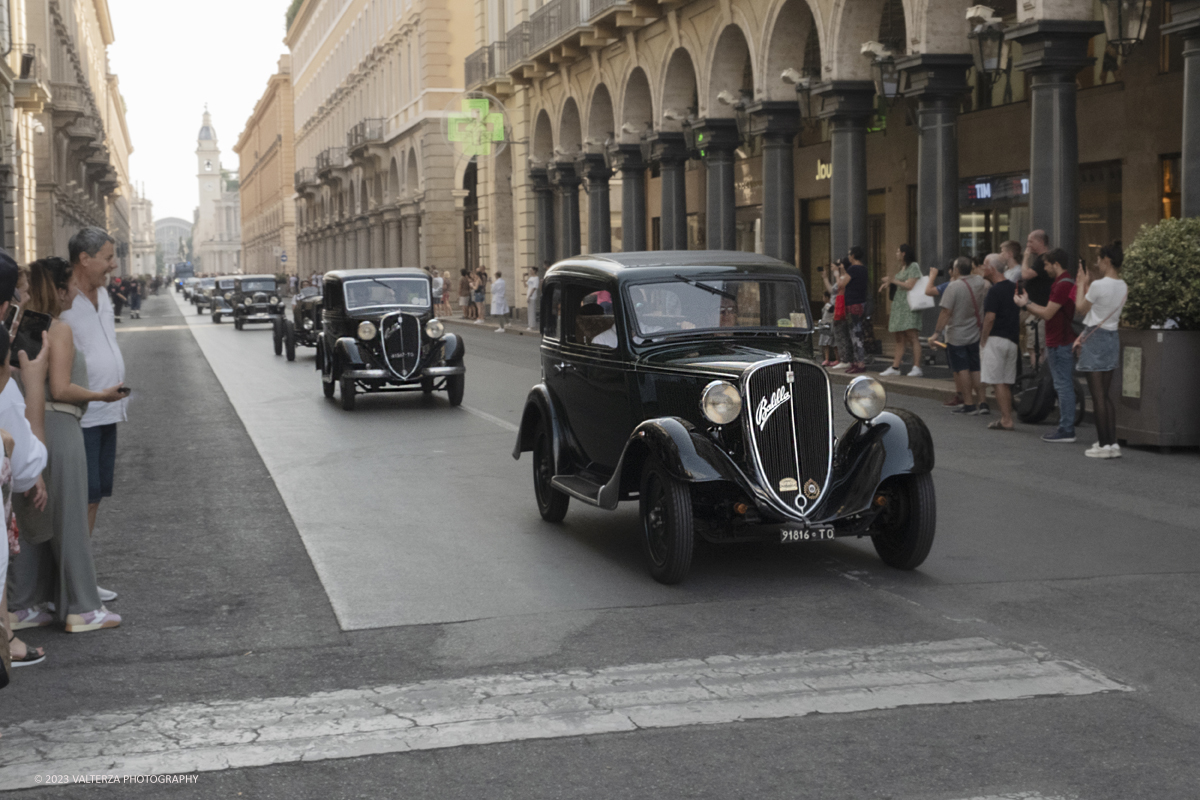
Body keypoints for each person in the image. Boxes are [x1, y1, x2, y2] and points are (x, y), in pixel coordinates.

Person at [8, 258, 124, 634]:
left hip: (24, 420)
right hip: (60, 423)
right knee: (70, 519)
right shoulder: (60, 329)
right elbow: (60, 388)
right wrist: (101, 395)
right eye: (70, 285)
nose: (75, 291)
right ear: (58, 290)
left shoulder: (20, 325)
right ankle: (82, 608)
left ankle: (22, 605)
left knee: (30, 517)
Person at [60, 228, 128, 597]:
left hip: (107, 410)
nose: (113, 264)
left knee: (95, 494)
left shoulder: (102, 293)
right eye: (107, 256)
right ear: (84, 259)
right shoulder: (61, 298)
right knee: (80, 497)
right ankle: (74, 584)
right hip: (80, 412)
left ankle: (80, 576)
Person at [1015, 247, 1077, 443]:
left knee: (1063, 385)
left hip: (1060, 341)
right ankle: (1065, 426)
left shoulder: (1061, 285)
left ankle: (1066, 429)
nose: (1045, 268)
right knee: (1062, 384)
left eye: (1047, 264)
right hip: (1059, 340)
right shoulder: (1062, 282)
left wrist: (1025, 305)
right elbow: (1049, 311)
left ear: (1056, 264)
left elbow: (1048, 313)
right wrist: (1029, 303)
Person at [1075, 243, 1127, 459]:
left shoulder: (1098, 285)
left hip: (1096, 339)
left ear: (1106, 259)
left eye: (1098, 259)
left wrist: (1081, 283)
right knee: (1105, 396)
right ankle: (1112, 443)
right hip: (1112, 337)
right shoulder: (1123, 285)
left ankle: (1104, 445)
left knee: (1097, 397)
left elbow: (1080, 308)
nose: (1096, 263)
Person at [928, 256, 988, 414]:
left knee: (962, 369)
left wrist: (936, 333)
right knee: (976, 368)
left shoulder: (953, 287)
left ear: (956, 270)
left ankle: (969, 404)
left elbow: (946, 312)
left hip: (957, 335)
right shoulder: (980, 282)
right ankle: (983, 402)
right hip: (975, 332)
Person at [979, 254, 1020, 431]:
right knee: (1006, 380)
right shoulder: (1014, 287)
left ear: (992, 269)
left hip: (996, 339)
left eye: (985, 264)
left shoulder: (994, 291)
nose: (982, 267)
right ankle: (1007, 416)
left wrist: (983, 339)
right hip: (1012, 339)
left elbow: (990, 317)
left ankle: (1006, 419)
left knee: (998, 381)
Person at [879, 244, 923, 378]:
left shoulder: (913, 266)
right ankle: (895, 366)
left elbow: (910, 285)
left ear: (904, 253)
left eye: (898, 251)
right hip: (899, 306)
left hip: (909, 306)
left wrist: (894, 280)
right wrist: (888, 282)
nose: (896, 254)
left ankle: (917, 366)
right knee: (899, 337)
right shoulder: (902, 267)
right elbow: (898, 281)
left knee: (912, 336)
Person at [835, 247, 869, 374]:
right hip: (861, 303)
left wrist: (837, 274)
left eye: (849, 254)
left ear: (853, 255)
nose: (848, 256)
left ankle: (859, 363)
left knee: (855, 334)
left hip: (853, 304)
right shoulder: (864, 269)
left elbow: (841, 284)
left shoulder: (853, 269)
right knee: (856, 333)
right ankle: (857, 361)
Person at [1021, 230, 1052, 367]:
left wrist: (1025, 257)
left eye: (1030, 242)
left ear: (1040, 242)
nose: (1028, 245)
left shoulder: (1042, 260)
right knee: (1033, 346)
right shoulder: (1041, 260)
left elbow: (1026, 275)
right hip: (1035, 309)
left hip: (1039, 310)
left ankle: (1038, 379)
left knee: (1036, 347)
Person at [817, 291, 836, 366]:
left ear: (827, 298)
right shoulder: (827, 305)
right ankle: (827, 359)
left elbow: (832, 309)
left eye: (823, 297)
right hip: (827, 325)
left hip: (827, 325)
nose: (823, 298)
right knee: (827, 344)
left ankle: (827, 359)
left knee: (826, 344)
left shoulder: (828, 305)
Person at [526, 266, 542, 331]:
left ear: (534, 271)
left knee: (532, 311)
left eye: (531, 270)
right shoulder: (530, 278)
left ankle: (532, 326)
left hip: (532, 296)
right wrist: (523, 277)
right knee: (529, 311)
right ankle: (530, 325)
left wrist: (530, 295)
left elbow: (534, 287)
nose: (530, 271)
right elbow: (526, 285)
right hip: (528, 295)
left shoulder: (536, 278)